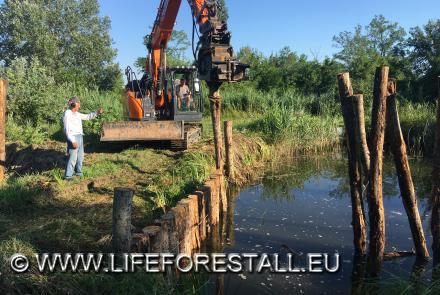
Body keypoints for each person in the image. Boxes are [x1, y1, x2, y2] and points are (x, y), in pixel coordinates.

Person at [63, 97, 103, 180]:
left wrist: (96, 112)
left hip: (80, 136)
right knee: (72, 157)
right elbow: (67, 129)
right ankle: (68, 176)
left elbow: (87, 117)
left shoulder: (77, 114)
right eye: (78, 104)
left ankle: (78, 173)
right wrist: (73, 141)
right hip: (73, 137)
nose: (79, 106)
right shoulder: (68, 113)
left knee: (80, 157)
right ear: (74, 104)